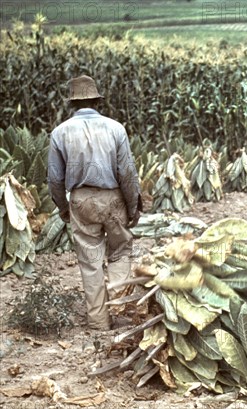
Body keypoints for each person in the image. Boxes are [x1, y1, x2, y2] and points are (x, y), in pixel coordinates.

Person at [48, 75, 142, 331]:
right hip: (113, 198)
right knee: (121, 250)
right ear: (97, 101)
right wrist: (133, 207)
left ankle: (99, 322)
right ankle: (121, 310)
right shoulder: (115, 128)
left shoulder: (60, 133)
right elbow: (127, 173)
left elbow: (55, 179)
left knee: (90, 261)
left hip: (80, 200)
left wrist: (63, 207)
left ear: (73, 103)